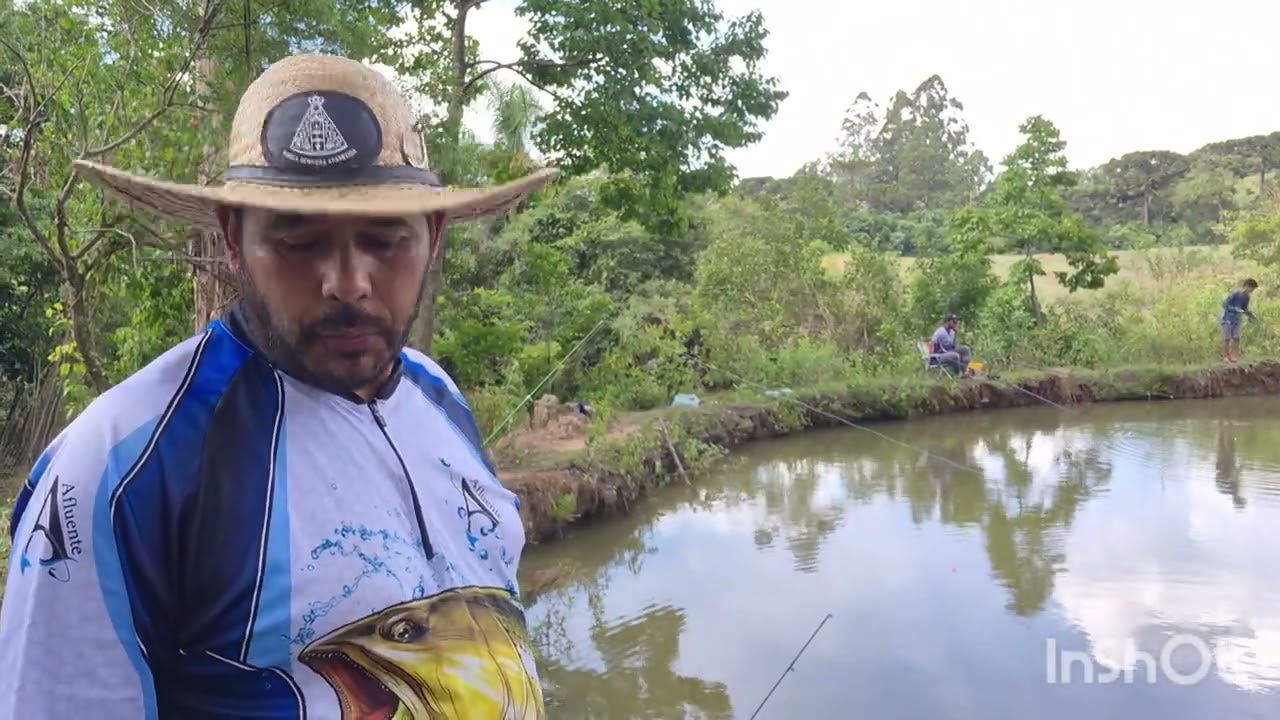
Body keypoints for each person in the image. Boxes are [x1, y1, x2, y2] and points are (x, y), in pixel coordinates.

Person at [0, 54, 558, 719]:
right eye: (298, 242)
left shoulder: (438, 394)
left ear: (433, 236)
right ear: (233, 239)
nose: (348, 283)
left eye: (385, 241)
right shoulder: (123, 465)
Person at [1220, 278, 1259, 363]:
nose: (1252, 290)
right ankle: (1225, 357)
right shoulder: (1236, 293)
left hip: (1237, 319)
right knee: (1227, 338)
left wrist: (1251, 316)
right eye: (1251, 288)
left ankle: (1233, 356)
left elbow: (1244, 309)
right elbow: (1225, 304)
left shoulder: (1247, 297)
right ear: (1246, 286)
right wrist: (1235, 309)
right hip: (1228, 318)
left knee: (1236, 337)